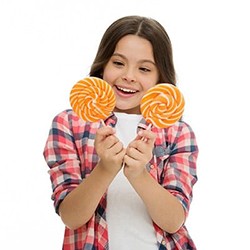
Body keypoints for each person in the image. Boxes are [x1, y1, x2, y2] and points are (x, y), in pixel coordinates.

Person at [43, 15, 198, 250]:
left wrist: (139, 174)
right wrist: (104, 169)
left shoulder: (177, 132)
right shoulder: (69, 124)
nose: (129, 75)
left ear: (160, 77)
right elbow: (71, 217)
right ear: (103, 64)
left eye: (144, 68)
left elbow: (174, 220)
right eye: (118, 63)